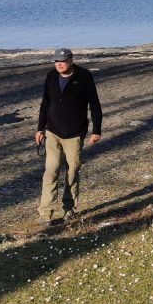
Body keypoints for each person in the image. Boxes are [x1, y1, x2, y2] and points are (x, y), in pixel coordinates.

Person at [35, 48, 103, 224]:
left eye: (63, 61)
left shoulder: (84, 76)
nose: (59, 64)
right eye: (56, 61)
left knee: (72, 172)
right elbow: (45, 103)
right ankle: (45, 213)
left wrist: (96, 130)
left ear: (71, 61)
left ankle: (69, 209)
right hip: (52, 131)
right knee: (51, 171)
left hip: (75, 134)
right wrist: (40, 128)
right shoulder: (51, 76)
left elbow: (94, 104)